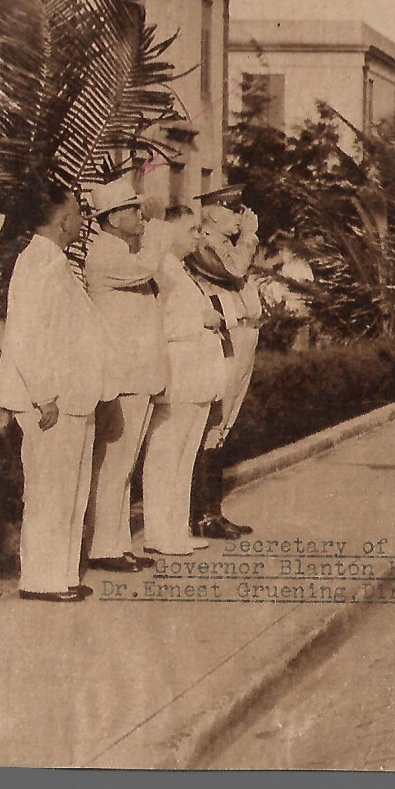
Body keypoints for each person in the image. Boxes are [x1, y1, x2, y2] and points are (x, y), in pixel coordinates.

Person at [0, 181, 105, 602]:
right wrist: (45, 396)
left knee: (69, 491)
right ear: (62, 221)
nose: (80, 218)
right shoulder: (38, 262)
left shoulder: (51, 259)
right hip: (51, 400)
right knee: (49, 491)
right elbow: (22, 337)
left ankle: (62, 574)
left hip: (70, 397)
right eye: (76, 211)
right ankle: (41, 578)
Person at [81, 177, 166, 573]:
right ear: (113, 218)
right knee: (115, 463)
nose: (140, 215)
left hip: (138, 376)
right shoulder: (106, 254)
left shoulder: (120, 251)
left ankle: (114, 543)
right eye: (133, 209)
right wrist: (160, 227)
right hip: (125, 376)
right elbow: (149, 264)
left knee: (123, 463)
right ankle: (102, 547)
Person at [142, 211, 228, 556]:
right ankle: (158, 533)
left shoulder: (180, 269)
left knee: (185, 458)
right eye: (191, 229)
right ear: (170, 229)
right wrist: (203, 320)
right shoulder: (160, 268)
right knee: (165, 456)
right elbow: (159, 325)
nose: (198, 236)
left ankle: (176, 529)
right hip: (178, 377)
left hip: (197, 379)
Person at [189, 184, 260, 540]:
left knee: (223, 425)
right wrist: (249, 238)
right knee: (212, 424)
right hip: (225, 340)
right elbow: (231, 272)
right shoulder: (204, 246)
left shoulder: (229, 247)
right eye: (234, 211)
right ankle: (203, 515)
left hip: (244, 336)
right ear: (214, 214)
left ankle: (211, 511)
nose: (240, 218)